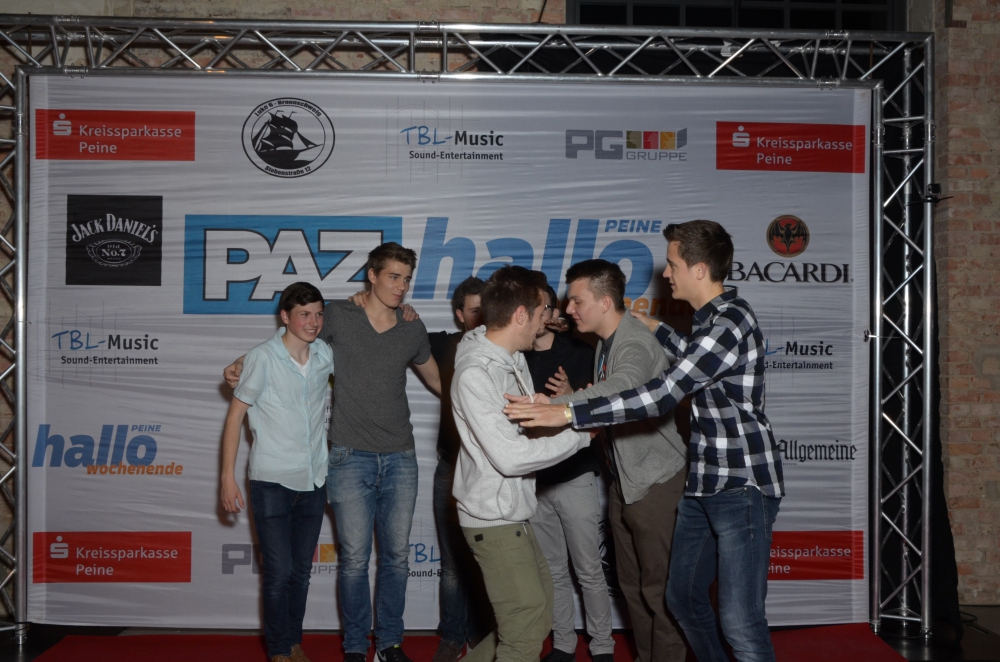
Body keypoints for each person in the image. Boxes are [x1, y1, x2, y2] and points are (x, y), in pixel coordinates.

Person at [504, 221, 784, 662]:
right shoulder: (709, 322)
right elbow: (695, 357)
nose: (665, 273)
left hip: (741, 485)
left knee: (739, 621)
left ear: (699, 269)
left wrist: (568, 411)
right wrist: (657, 327)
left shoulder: (732, 320)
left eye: (673, 264)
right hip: (704, 483)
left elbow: (664, 393)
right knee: (681, 600)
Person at [226, 242, 442, 662]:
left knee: (397, 558)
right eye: (393, 277)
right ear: (372, 276)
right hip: (348, 457)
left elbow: (436, 379)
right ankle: (356, 646)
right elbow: (288, 343)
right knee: (354, 560)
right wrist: (239, 363)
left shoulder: (412, 327)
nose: (401, 286)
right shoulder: (339, 315)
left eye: (406, 279)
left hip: (400, 457)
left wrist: (476, 404)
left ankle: (390, 643)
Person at [451, 265, 594, 662]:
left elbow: (524, 431)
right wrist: (582, 434)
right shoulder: (477, 373)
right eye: (543, 310)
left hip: (513, 511)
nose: (547, 319)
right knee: (525, 632)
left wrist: (556, 409)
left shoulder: (507, 357)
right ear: (520, 315)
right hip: (493, 518)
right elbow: (511, 457)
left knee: (537, 613)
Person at [553, 259, 688, 662]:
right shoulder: (604, 342)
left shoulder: (632, 342)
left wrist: (558, 406)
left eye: (577, 301)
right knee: (632, 588)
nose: (569, 309)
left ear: (605, 302)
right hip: (625, 482)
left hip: (656, 483)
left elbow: (621, 388)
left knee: (659, 593)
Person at [219, 282, 333, 662]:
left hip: (314, 480)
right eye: (304, 315)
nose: (313, 322)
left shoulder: (324, 354)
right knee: (279, 573)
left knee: (300, 573)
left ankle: (294, 643)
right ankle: (279, 650)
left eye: (318, 314)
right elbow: (234, 419)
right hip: (271, 482)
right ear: (285, 316)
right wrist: (227, 477)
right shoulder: (263, 358)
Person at [523, 282, 614, 662]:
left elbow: (601, 408)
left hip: (576, 474)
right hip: (535, 479)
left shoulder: (581, 352)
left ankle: (603, 647)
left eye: (544, 307)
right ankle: (563, 644)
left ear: (553, 312)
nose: (539, 314)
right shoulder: (515, 358)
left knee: (589, 569)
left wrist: (570, 392)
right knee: (553, 571)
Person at [427, 277, 494, 662]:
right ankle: (452, 636)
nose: (482, 317)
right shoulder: (444, 345)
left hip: (491, 471)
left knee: (488, 560)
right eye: (474, 311)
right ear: (459, 314)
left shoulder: (504, 348)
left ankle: (482, 635)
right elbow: (398, 331)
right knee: (453, 562)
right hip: (451, 469)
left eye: (487, 309)